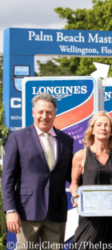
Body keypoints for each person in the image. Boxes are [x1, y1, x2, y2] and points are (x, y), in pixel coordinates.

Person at [2, 93, 74, 250]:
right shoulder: (17, 138)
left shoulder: (67, 141)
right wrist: (10, 210)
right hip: (26, 213)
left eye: (49, 112)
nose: (44, 116)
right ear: (33, 113)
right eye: (40, 112)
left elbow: (72, 176)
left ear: (55, 114)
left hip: (56, 213)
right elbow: (7, 178)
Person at [70, 111, 112, 250]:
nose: (103, 128)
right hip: (90, 216)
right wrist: (75, 194)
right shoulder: (80, 156)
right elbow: (74, 184)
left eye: (107, 125)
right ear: (92, 130)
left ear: (111, 131)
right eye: (99, 125)